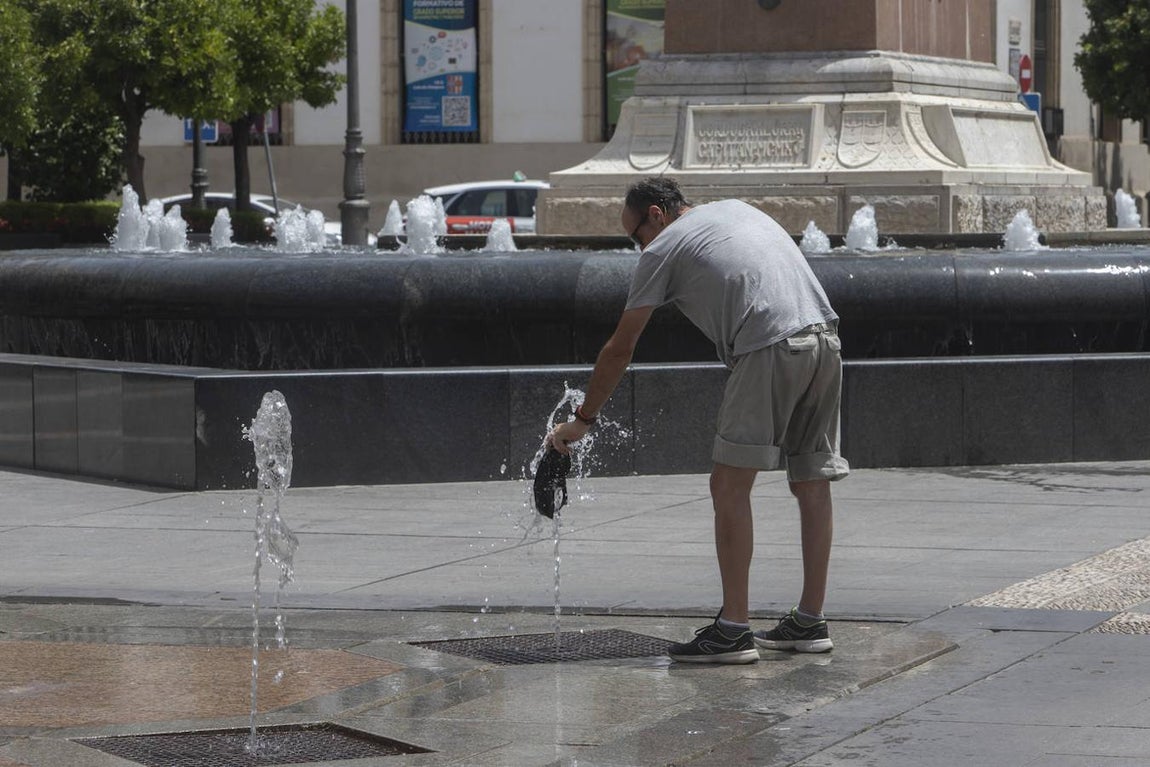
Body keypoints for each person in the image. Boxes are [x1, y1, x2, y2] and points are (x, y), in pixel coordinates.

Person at [549, 176, 849, 664]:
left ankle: (733, 630)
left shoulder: (662, 246)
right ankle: (810, 620)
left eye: (635, 235)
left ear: (655, 214)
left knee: (728, 486)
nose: (637, 247)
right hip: (825, 339)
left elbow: (621, 347)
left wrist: (583, 419)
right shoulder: (733, 207)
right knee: (812, 482)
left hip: (768, 345)